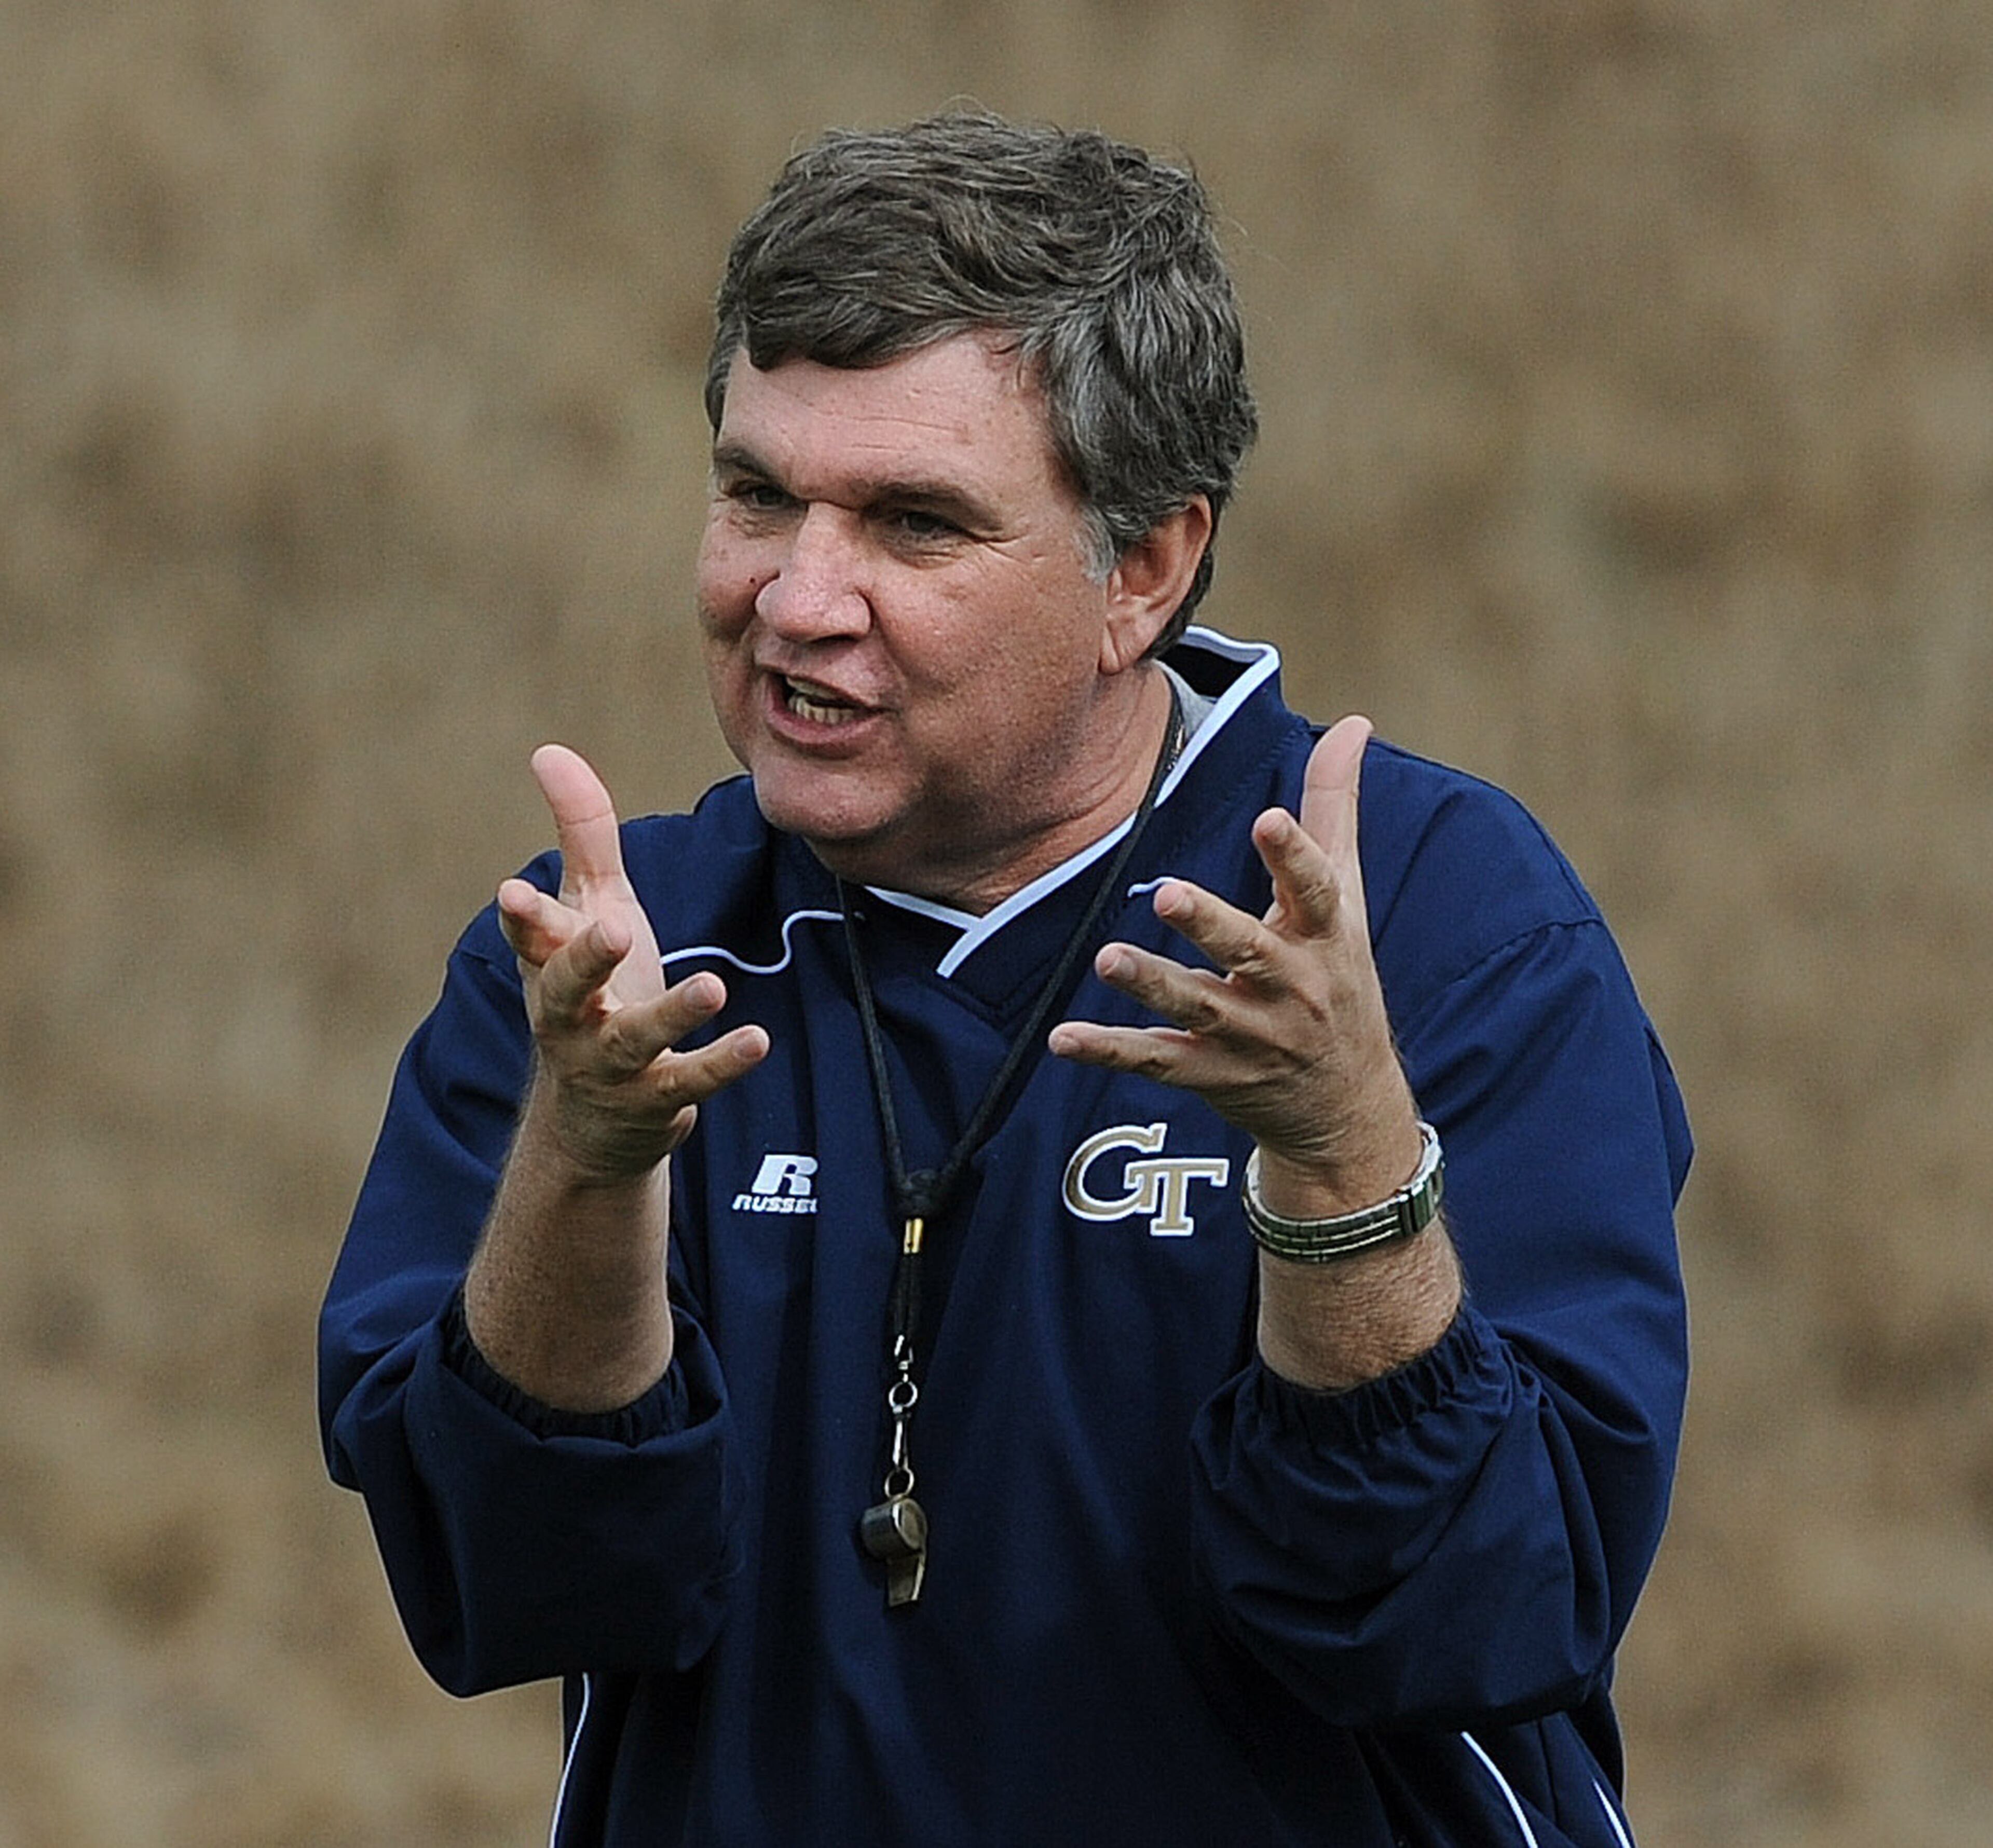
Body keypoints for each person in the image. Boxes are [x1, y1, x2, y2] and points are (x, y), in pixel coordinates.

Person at [320, 112, 1690, 1847]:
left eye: (911, 523)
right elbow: (506, 1587)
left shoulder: (1433, 930)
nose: (800, 597)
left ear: (1144, 567)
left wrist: (1344, 1157)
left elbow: (1483, 1615)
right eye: (759, 494)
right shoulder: (614, 952)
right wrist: (588, 1171)